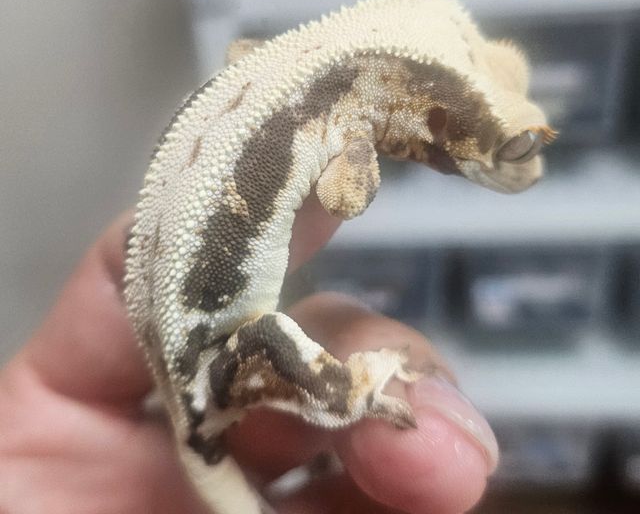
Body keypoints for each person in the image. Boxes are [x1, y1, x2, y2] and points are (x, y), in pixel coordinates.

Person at [0, 197, 497, 513]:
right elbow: (346, 196)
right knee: (272, 342)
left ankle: (339, 400)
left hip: (205, 390)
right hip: (205, 376)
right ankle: (342, 397)